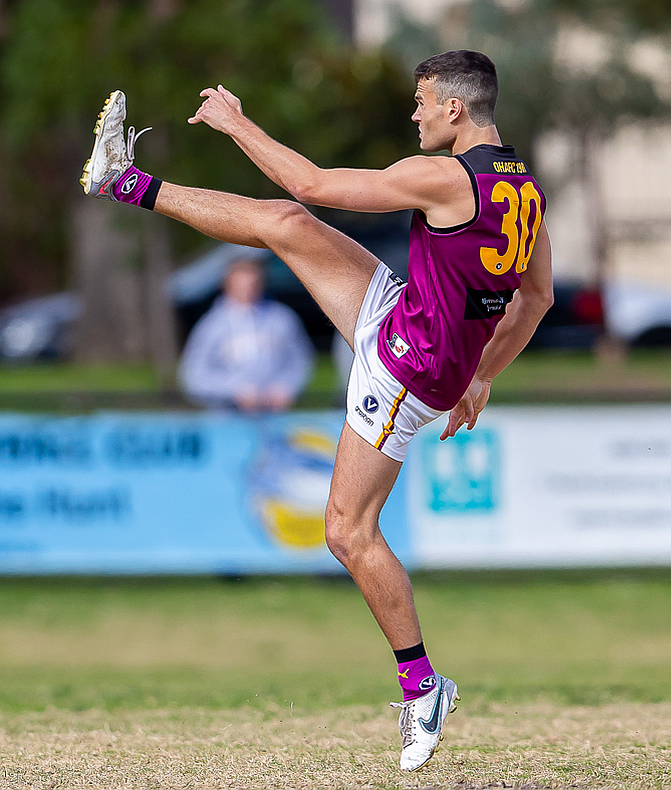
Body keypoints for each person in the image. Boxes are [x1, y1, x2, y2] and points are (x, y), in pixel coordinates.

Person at [80, 50, 554, 770]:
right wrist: (482, 375)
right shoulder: (523, 188)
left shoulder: (441, 177)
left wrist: (237, 124)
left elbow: (314, 177)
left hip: (404, 371)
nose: (417, 112)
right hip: (409, 324)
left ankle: (423, 688)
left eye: (424, 101)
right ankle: (124, 179)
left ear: (456, 110)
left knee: (345, 531)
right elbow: (536, 297)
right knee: (287, 222)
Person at [177, 255, 315, 412]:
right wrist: (233, 391)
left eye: (254, 283)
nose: (249, 290)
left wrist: (287, 386)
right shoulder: (211, 325)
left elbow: (301, 360)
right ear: (227, 283)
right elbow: (193, 378)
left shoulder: (282, 318)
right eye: (242, 284)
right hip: (227, 418)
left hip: (275, 416)